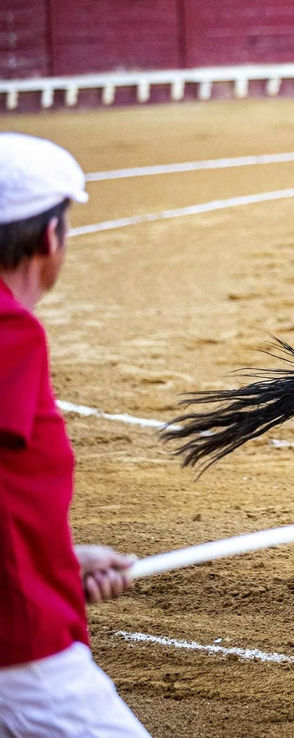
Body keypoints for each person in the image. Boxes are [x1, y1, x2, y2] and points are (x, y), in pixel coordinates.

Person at [0, 135, 151, 738]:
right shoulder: (10, 332)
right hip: (21, 643)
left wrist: (58, 560)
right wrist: (38, 578)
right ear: (47, 239)